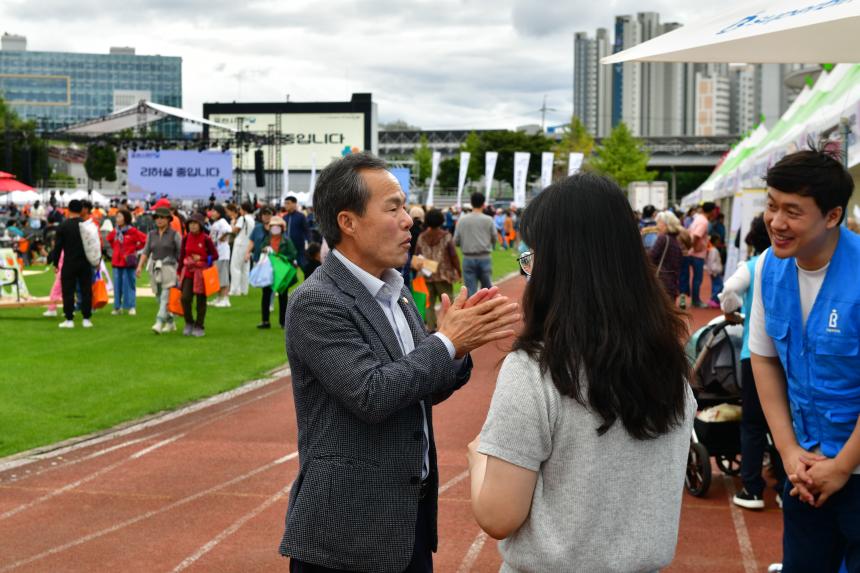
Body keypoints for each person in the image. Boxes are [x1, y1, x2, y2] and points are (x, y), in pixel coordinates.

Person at [278, 152, 520, 573]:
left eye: (405, 207)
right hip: (346, 536)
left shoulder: (396, 291)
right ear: (348, 222)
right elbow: (372, 394)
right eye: (393, 208)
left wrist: (456, 349)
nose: (408, 219)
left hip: (407, 523)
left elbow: (417, 388)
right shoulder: (316, 302)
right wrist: (445, 341)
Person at [467, 173, 696, 572]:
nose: (530, 271)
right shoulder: (671, 363)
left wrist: (477, 459)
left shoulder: (536, 370)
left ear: (559, 266)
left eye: (533, 257)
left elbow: (497, 516)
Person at [750, 149, 860, 572]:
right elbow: (764, 360)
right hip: (806, 471)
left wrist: (844, 465)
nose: (776, 222)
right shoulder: (766, 270)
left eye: (792, 211)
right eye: (771, 205)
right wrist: (789, 450)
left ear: (831, 216)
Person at [718, 214, 786, 510]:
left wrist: (732, 312)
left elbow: (729, 292)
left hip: (756, 355)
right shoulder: (794, 263)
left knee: (754, 424)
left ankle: (752, 489)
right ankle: (786, 486)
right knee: (788, 423)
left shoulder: (753, 265)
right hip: (790, 356)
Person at [48, 200, 94, 328]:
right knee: (86, 291)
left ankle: (69, 319)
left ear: (68, 209)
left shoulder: (63, 226)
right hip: (85, 262)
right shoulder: (86, 225)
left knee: (68, 291)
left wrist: (56, 263)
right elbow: (94, 245)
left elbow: (58, 247)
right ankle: (86, 319)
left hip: (69, 262)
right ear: (81, 210)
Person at [415, 208, 462, 332]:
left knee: (428, 304)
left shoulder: (421, 237)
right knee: (448, 302)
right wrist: (458, 271)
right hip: (443, 275)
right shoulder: (446, 236)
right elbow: (453, 256)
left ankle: (431, 329)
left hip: (425, 274)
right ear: (442, 220)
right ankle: (448, 328)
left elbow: (416, 255)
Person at [137, 207, 182, 334]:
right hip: (154, 268)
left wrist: (180, 271)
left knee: (164, 297)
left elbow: (180, 253)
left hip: (169, 267)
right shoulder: (151, 234)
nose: (159, 220)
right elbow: (146, 251)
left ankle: (158, 322)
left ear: (168, 219)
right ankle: (170, 322)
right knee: (158, 297)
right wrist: (140, 266)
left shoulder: (175, 234)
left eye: (162, 217)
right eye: (157, 217)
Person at [177, 212, 217, 337]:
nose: (193, 226)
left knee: (201, 301)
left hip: (201, 272)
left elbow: (215, 255)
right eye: (191, 224)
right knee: (185, 298)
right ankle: (189, 322)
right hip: (188, 271)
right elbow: (182, 255)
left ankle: (199, 326)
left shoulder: (206, 238)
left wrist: (202, 257)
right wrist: (179, 271)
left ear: (200, 225)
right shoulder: (186, 238)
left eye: (195, 224)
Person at [256, 215, 297, 329]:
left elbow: (292, 254)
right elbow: (261, 248)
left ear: (282, 228)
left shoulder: (287, 240)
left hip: (281, 271)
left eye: (277, 226)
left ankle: (283, 322)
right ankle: (265, 321)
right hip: (268, 270)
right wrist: (264, 250)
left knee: (283, 296)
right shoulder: (267, 239)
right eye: (273, 226)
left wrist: (281, 257)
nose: (275, 229)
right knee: (265, 295)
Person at [454, 192, 496, 296]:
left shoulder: (462, 220)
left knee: (470, 290)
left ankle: (473, 311)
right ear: (483, 204)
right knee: (487, 289)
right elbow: (494, 238)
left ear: (471, 203)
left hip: (468, 257)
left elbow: (456, 240)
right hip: (484, 257)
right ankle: (486, 311)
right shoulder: (489, 220)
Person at [106, 209, 146, 316]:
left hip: (128, 262)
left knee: (129, 285)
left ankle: (131, 307)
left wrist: (135, 249)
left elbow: (145, 240)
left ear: (126, 218)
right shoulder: (115, 231)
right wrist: (115, 250)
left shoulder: (132, 231)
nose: (117, 219)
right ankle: (117, 307)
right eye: (117, 217)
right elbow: (109, 239)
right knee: (117, 286)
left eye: (119, 216)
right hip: (116, 262)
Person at [679, 202, 718, 309]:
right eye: (715, 210)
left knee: (685, 276)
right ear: (712, 210)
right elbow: (696, 236)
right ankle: (695, 300)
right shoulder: (704, 222)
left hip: (690, 252)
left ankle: (684, 298)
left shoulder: (698, 218)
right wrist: (694, 247)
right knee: (697, 278)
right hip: (697, 254)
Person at [649, 210, 685, 302]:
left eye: (659, 223)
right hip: (672, 284)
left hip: (660, 283)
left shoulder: (662, 238)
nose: (657, 226)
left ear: (666, 224)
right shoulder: (675, 240)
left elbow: (650, 258)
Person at [207, 204, 232, 307]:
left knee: (223, 276)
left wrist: (222, 237)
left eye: (214, 211)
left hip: (222, 253)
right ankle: (219, 298)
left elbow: (229, 230)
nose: (212, 213)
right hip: (217, 253)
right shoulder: (216, 223)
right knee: (217, 277)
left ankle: (226, 299)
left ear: (219, 212)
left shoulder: (222, 222)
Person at [228, 202, 255, 296]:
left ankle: (235, 290)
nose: (239, 211)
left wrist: (232, 224)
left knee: (235, 267)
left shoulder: (242, 218)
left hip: (240, 243)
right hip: (248, 244)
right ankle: (244, 289)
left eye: (240, 209)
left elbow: (235, 230)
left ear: (243, 209)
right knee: (245, 268)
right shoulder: (252, 219)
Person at [283, 195, 311, 267]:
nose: (285, 205)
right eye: (285, 203)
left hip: (299, 248)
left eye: (288, 203)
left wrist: (309, 242)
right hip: (287, 248)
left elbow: (307, 230)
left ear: (294, 204)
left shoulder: (301, 216)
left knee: (301, 266)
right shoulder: (284, 217)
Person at [705, 234, 725, 309]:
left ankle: (714, 300)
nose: (719, 242)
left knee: (716, 286)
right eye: (718, 241)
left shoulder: (713, 250)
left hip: (715, 272)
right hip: (715, 272)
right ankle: (713, 300)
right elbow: (712, 262)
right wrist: (714, 271)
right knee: (719, 286)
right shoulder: (714, 250)